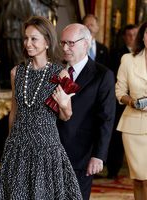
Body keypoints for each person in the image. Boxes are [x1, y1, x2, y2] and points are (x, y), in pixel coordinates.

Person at [0, 16, 82, 199]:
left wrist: (64, 104)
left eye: (34, 39)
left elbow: (67, 116)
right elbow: (14, 112)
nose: (28, 43)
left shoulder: (60, 74)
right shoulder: (17, 72)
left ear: (47, 42)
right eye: (26, 38)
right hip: (18, 148)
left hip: (46, 149)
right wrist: (10, 142)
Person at [57, 23, 116, 200]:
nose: (65, 48)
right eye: (62, 43)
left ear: (86, 43)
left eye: (70, 43)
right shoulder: (55, 71)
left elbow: (106, 118)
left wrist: (99, 155)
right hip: (51, 151)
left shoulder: (102, 75)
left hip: (81, 154)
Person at [115, 21, 147, 200]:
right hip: (133, 127)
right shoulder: (128, 60)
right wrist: (132, 102)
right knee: (140, 179)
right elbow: (119, 91)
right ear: (142, 36)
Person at [107, 24, 138, 179]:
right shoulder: (118, 54)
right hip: (123, 105)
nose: (133, 37)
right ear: (125, 36)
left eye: (135, 34)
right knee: (116, 139)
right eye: (129, 35)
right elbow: (114, 82)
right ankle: (113, 170)